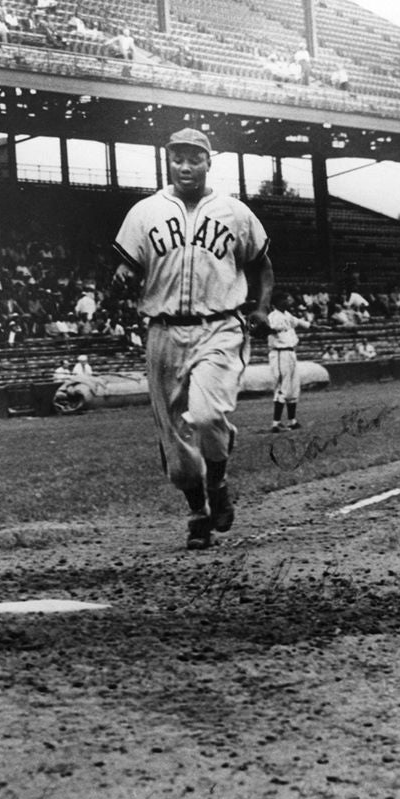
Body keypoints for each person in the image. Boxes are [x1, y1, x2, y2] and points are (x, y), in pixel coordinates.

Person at [113, 128, 273, 551]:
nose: (186, 166)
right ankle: (197, 509)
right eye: (178, 158)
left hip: (218, 325)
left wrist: (260, 308)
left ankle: (218, 482)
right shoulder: (145, 212)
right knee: (175, 437)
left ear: (209, 162)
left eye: (194, 158)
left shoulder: (234, 212)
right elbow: (128, 266)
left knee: (205, 416)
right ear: (169, 162)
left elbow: (262, 266)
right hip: (162, 330)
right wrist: (123, 278)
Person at [266, 290, 304, 431]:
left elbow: (297, 322)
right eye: (286, 299)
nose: (289, 301)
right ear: (278, 302)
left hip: (290, 352)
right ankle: (276, 423)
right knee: (282, 386)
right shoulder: (273, 316)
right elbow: (271, 329)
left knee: (293, 387)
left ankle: (292, 421)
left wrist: (312, 325)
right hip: (280, 353)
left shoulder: (287, 315)